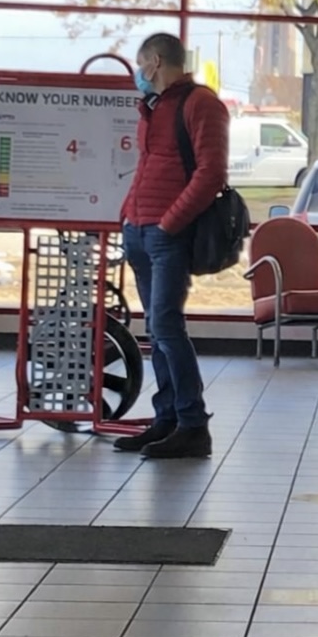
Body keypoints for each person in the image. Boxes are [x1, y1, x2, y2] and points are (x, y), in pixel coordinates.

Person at [115, 31, 228, 460]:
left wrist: (169, 222)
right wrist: (128, 212)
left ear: (156, 61)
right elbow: (147, 165)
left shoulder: (201, 103)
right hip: (140, 231)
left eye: (140, 64)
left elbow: (211, 172)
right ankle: (167, 419)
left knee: (165, 326)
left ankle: (193, 424)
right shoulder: (153, 106)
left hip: (167, 236)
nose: (138, 73)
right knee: (155, 330)